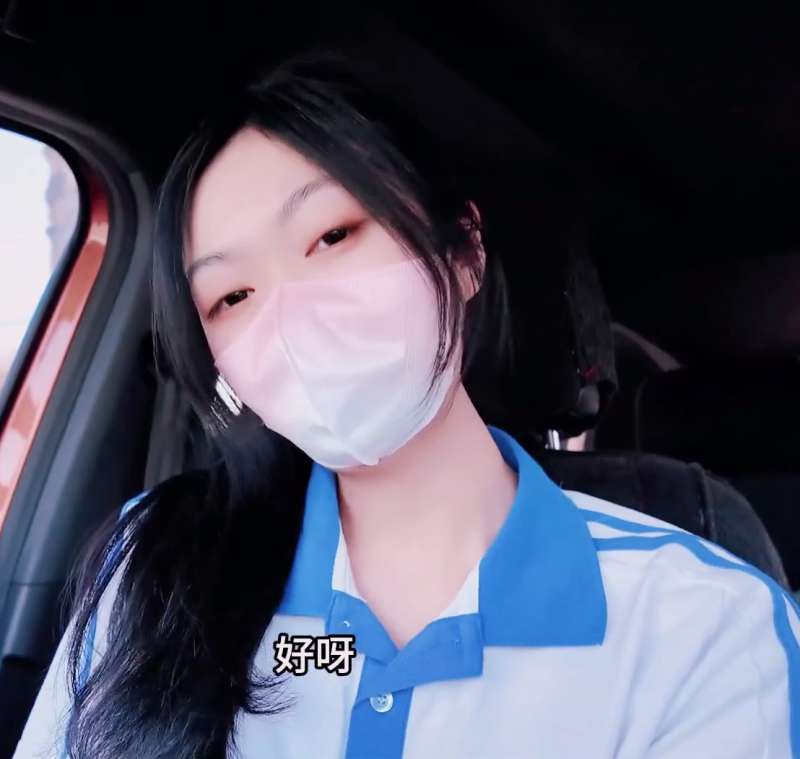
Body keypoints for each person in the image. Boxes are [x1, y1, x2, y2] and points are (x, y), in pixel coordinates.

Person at [13, 49, 799, 759]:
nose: (291, 317)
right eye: (233, 296)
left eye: (332, 235)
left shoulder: (703, 628)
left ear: (463, 252)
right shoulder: (153, 567)